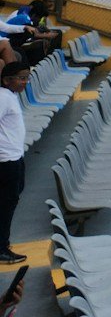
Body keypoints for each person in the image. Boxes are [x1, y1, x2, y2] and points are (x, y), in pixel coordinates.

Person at [0, 61, 28, 265]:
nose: (25, 82)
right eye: (21, 78)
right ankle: (1, 247)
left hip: (15, 156)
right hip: (6, 160)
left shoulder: (10, 96)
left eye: (27, 77)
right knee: (6, 204)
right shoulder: (3, 97)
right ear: (6, 80)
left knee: (11, 200)